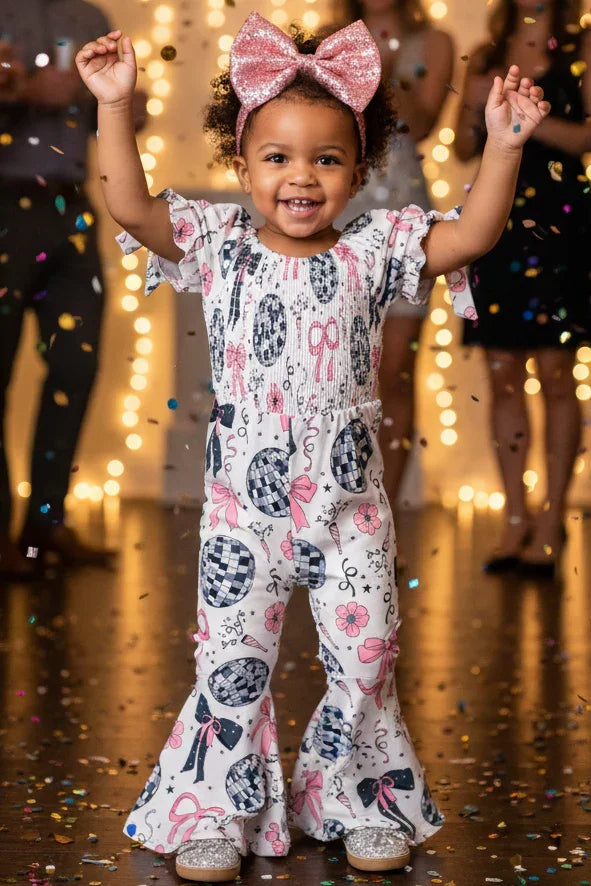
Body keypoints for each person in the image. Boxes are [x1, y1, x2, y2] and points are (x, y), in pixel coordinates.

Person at [76, 13, 548, 882]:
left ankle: (356, 801)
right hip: (240, 516)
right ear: (244, 166)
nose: (302, 177)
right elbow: (129, 204)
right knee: (231, 665)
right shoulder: (215, 243)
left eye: (326, 160)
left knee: (367, 653)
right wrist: (116, 104)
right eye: (278, 158)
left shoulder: (376, 248)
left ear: (359, 171)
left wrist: (504, 147)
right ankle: (217, 811)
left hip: (349, 509)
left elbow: (471, 236)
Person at [0, 0, 146, 578]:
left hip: (71, 209)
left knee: (75, 369)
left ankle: (44, 527)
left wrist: (120, 102)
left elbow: (115, 118)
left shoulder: (90, 17)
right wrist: (23, 94)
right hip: (3, 204)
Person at [455, 0, 591, 578]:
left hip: (561, 222)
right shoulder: (487, 56)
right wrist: (481, 105)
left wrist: (523, 114)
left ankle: (552, 516)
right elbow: (464, 146)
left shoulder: (582, 48)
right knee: (503, 373)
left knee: (558, 374)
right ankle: (515, 517)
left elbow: (587, 139)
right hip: (496, 220)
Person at [338, 0, 454, 508]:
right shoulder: (329, 34)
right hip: (342, 204)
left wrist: (379, 74)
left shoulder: (434, 42)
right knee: (337, 370)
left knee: (396, 375)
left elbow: (424, 122)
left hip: (404, 212)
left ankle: (381, 514)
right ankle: (332, 508)